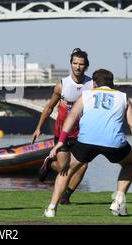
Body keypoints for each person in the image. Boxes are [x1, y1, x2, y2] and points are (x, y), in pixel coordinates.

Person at [43, 69, 132, 217]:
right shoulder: (123, 97)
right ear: (112, 84)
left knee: (67, 171)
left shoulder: (86, 95)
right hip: (114, 143)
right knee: (128, 163)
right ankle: (118, 200)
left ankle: (51, 208)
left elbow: (72, 117)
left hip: (86, 141)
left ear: (94, 83)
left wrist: (60, 141)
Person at [31, 48, 93, 204]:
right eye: (75, 63)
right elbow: (49, 107)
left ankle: (66, 196)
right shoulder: (62, 85)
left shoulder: (92, 85)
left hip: (82, 132)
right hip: (62, 131)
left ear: (86, 66)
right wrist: (39, 128)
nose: (77, 66)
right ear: (71, 64)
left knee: (83, 166)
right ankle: (49, 164)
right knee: (63, 166)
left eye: (81, 64)